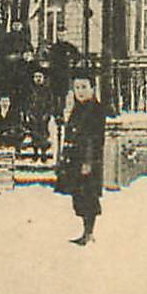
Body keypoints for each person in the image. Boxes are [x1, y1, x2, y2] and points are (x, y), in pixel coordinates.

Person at [55, 72, 106, 245]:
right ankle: (86, 231)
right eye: (77, 87)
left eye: (84, 87)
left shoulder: (95, 110)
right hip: (75, 159)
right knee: (78, 195)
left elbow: (95, 138)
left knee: (88, 195)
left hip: (87, 160)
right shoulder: (78, 107)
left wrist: (88, 162)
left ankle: (89, 232)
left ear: (93, 88)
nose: (80, 91)